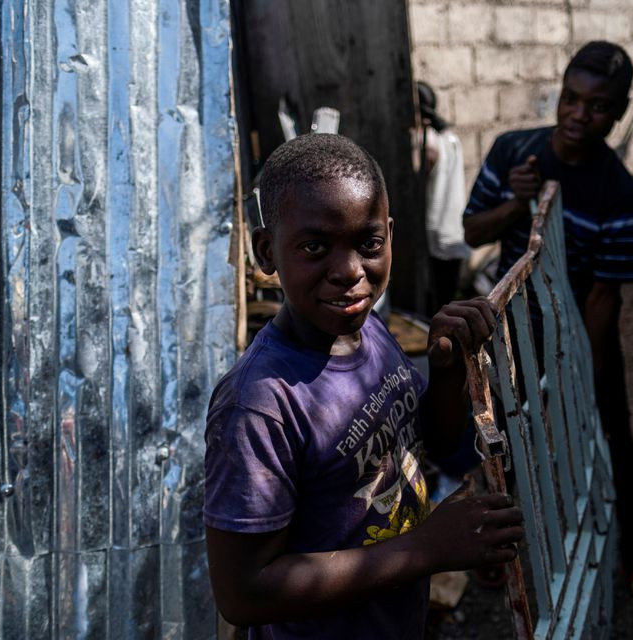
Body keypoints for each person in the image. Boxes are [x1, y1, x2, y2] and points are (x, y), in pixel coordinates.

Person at [203, 133, 523, 639]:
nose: (350, 272)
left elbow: (431, 447)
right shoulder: (261, 404)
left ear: (390, 236)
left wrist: (445, 373)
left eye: (368, 244)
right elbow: (243, 592)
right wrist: (427, 549)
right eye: (314, 247)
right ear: (266, 251)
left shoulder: (367, 329)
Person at [462, 41, 633, 620]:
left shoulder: (622, 194)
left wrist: (585, 371)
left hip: (582, 328)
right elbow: (473, 229)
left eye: (599, 106)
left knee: (612, 433)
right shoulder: (515, 151)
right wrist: (517, 204)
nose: (580, 116)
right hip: (512, 331)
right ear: (559, 94)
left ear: (620, 110)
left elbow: (606, 297)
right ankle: (492, 540)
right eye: (571, 99)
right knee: (499, 435)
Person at [416, 81, 471, 309]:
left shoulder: (426, 143)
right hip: (454, 229)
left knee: (436, 305)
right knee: (448, 297)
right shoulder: (450, 137)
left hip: (436, 234)